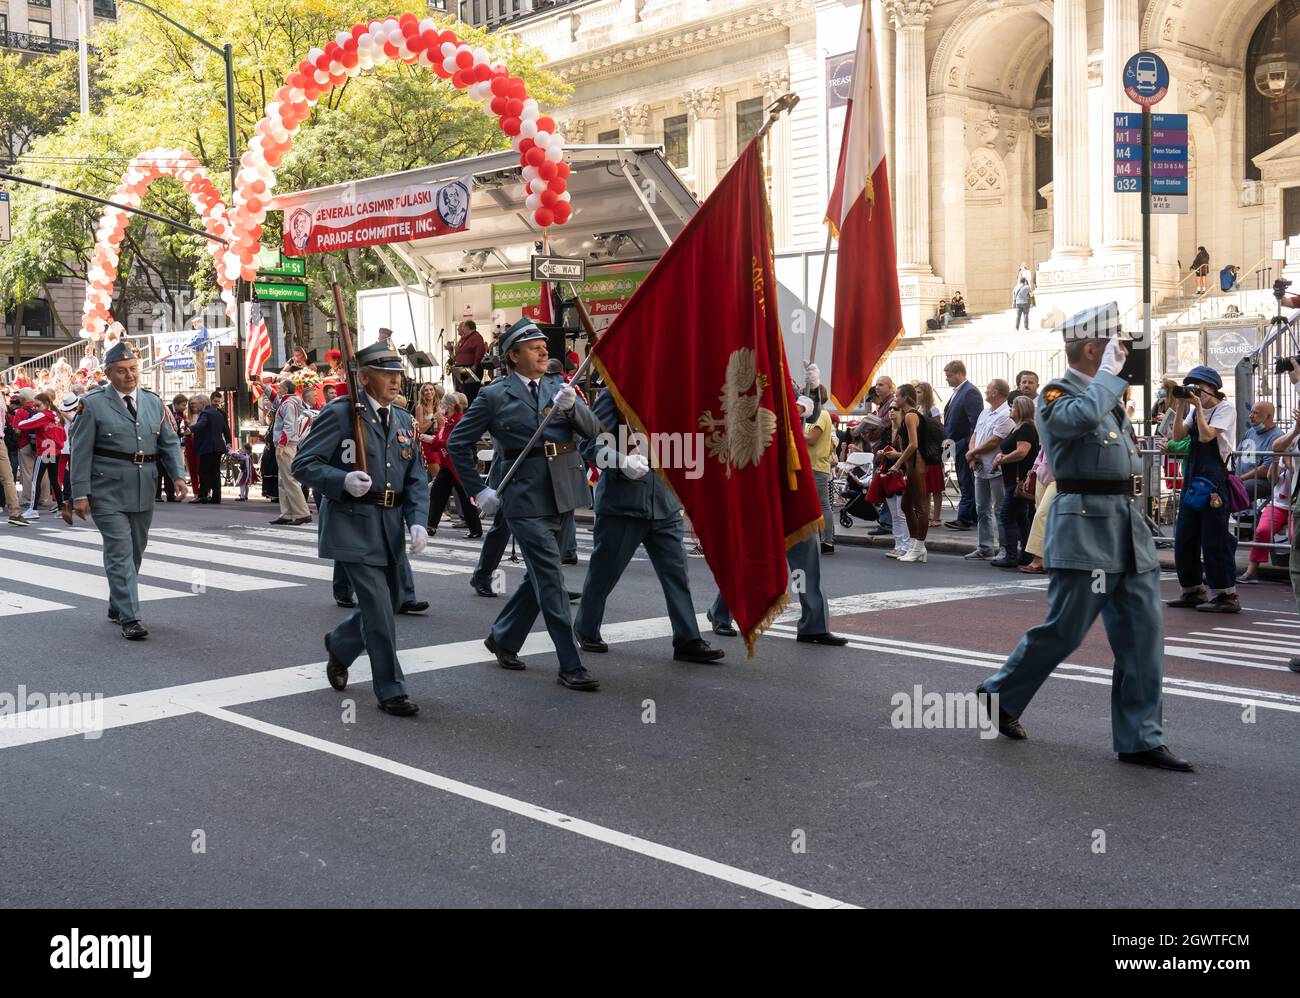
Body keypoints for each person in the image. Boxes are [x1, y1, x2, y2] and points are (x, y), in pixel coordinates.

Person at [976, 307, 1192, 772]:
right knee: (1066, 629)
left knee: (1143, 635)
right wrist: (1110, 378)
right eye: (1112, 344)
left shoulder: (1105, 395)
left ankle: (1140, 737)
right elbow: (1077, 419)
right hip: (1084, 527)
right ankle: (999, 694)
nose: (1121, 353)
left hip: (1125, 528)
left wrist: (1111, 382)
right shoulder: (1058, 394)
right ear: (1092, 349)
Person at [447, 318, 603, 691]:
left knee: (539, 575)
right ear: (513, 355)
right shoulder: (494, 395)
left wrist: (571, 409)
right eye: (533, 346)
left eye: (543, 345)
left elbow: (593, 430)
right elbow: (457, 444)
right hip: (524, 492)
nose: (543, 350)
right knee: (550, 578)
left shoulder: (559, 385)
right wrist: (478, 490)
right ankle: (570, 663)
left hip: (564, 487)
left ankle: (503, 636)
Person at [291, 341, 431, 717]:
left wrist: (418, 521)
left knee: (391, 601)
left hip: (390, 527)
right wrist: (341, 479)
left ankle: (340, 644)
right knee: (381, 613)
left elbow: (416, 477)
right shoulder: (342, 414)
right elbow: (303, 464)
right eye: (387, 373)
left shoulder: (402, 419)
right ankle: (391, 688)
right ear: (364, 377)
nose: (395, 380)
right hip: (354, 525)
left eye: (398, 373)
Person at [573, 388, 724, 664]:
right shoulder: (614, 396)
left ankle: (687, 639)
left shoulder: (673, 397)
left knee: (677, 575)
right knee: (604, 573)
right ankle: (586, 627)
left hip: (664, 504)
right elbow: (590, 445)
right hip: (624, 504)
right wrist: (621, 462)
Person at [69, 340, 188, 640]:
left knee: (135, 552)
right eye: (122, 371)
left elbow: (169, 443)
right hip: (106, 490)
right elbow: (80, 452)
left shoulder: (153, 402)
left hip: (143, 488)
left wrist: (178, 475)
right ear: (108, 373)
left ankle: (117, 604)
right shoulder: (93, 404)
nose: (130, 376)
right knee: (120, 551)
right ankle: (131, 617)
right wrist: (80, 494)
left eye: (133, 369)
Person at [1167, 365, 1240, 613]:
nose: (1195, 391)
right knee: (1185, 535)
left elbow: (1207, 436)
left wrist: (1198, 407)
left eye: (1199, 387)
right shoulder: (1193, 409)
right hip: (1193, 477)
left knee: (1214, 537)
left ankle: (1226, 595)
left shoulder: (1225, 409)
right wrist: (1180, 406)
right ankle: (1193, 589)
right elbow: (1177, 435)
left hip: (1214, 480)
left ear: (1212, 389)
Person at [883, 384, 940, 563]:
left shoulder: (910, 416)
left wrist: (897, 464)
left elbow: (913, 444)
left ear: (906, 397)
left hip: (917, 465)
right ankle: (915, 546)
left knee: (921, 506)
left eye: (897, 397)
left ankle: (918, 547)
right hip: (912, 465)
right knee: (906, 506)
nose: (894, 400)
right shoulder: (911, 415)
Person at [963, 379, 1013, 559]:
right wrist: (973, 454)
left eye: (988, 389)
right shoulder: (985, 412)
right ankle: (985, 546)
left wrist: (972, 453)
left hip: (996, 468)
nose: (985, 391)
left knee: (1000, 509)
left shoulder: (1006, 414)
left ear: (996, 392)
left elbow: (995, 440)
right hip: (980, 466)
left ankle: (1006, 548)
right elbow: (975, 434)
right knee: (982, 508)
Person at [990, 395, 1039, 568]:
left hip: (1019, 481)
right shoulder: (1017, 427)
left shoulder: (1025, 428)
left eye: (1013, 407)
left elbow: (1022, 452)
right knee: (1020, 517)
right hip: (1012, 479)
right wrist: (1002, 456)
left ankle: (1011, 555)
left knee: (1007, 515)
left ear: (1021, 409)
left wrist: (1002, 460)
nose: (1010, 410)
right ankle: (1025, 553)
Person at [427, 392, 482, 538]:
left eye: (443, 404)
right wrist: (433, 441)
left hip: (459, 465)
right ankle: (431, 525)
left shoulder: (460, 420)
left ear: (450, 405)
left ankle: (476, 529)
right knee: (437, 492)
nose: (441, 407)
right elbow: (442, 441)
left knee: (465, 497)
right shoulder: (447, 420)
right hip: (447, 464)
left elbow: (453, 442)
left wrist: (432, 441)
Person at [942, 360, 984, 529]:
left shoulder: (969, 392)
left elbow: (975, 423)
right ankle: (970, 515)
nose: (947, 379)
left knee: (966, 482)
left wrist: (969, 446)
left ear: (960, 373)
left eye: (949, 375)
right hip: (957, 445)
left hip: (964, 446)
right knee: (964, 481)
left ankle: (965, 517)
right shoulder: (959, 392)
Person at [270, 379, 312, 525]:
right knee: (283, 480)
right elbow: (273, 397)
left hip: (286, 444)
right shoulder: (290, 402)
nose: (278, 389)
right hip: (288, 443)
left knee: (289, 479)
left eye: (280, 387)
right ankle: (287, 513)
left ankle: (302, 513)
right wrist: (262, 386)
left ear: (286, 389)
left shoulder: (288, 404)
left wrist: (281, 445)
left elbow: (289, 426)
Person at [805, 386, 837, 553]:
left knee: (822, 504)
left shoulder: (822, 415)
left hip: (817, 466)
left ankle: (827, 540)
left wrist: (793, 432)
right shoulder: (810, 418)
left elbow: (811, 439)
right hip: (808, 465)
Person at [1236, 400, 1282, 505]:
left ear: (1269, 417)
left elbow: (1267, 469)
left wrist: (1240, 479)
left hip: (1264, 481)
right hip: (1242, 477)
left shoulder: (1276, 436)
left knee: (1239, 489)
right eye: (1251, 412)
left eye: (1256, 413)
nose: (1250, 416)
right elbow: (1237, 455)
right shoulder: (1250, 432)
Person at [190, 393, 231, 504]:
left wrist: (190, 429)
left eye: (197, 403)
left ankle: (202, 496)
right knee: (215, 473)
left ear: (202, 403)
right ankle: (216, 497)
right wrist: (228, 442)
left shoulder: (205, 413)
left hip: (208, 447)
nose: (195, 405)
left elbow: (202, 425)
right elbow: (226, 429)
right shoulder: (218, 413)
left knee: (204, 471)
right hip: (218, 447)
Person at [915, 381, 945, 526]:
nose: (916, 395)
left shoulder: (932, 409)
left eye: (919, 392)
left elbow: (938, 430)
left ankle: (937, 517)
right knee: (924, 487)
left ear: (926, 394)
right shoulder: (916, 409)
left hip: (932, 451)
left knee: (936, 487)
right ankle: (925, 516)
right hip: (920, 451)